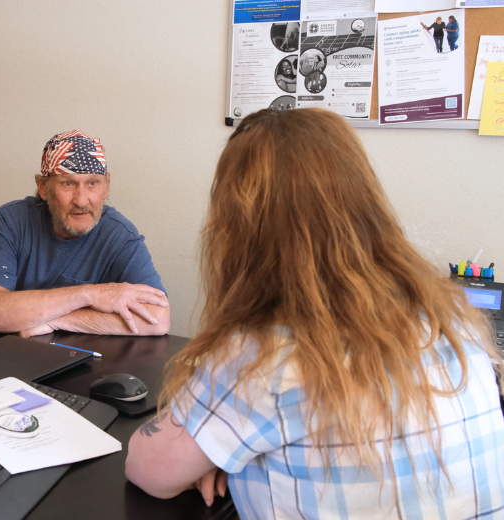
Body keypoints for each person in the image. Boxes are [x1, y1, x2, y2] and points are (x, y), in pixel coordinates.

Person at [125, 108, 504, 517]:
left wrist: (219, 451)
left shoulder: (266, 357)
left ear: (240, 227)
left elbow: (149, 470)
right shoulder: (454, 319)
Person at [0, 129, 170, 338]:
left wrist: (58, 320)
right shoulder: (11, 221)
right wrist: (89, 295)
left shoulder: (120, 236)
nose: (82, 200)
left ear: (106, 187)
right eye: (68, 183)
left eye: (93, 183)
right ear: (43, 187)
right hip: (11, 359)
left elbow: (158, 317)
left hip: (85, 361)